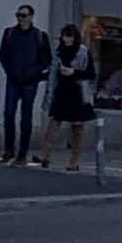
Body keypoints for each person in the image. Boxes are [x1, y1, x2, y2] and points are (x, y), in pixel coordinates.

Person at [0, 4, 51, 165]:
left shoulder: (40, 36)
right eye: (18, 15)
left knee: (26, 117)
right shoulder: (10, 33)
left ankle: (22, 154)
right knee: (8, 114)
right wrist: (11, 71)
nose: (20, 18)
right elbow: (2, 55)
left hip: (29, 81)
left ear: (31, 16)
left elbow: (46, 59)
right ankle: (9, 150)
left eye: (24, 15)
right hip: (13, 79)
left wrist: (32, 72)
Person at [37, 23, 96, 170]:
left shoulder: (83, 52)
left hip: (77, 93)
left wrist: (73, 72)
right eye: (64, 36)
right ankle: (45, 155)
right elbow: (52, 75)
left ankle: (74, 161)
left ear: (75, 37)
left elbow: (90, 74)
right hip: (62, 91)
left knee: (77, 128)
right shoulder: (58, 53)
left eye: (69, 36)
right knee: (53, 124)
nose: (66, 39)